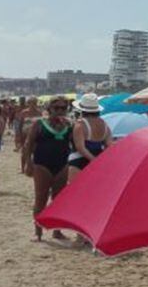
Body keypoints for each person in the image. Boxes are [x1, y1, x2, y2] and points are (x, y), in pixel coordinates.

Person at [22, 97, 73, 240]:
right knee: (41, 199)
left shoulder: (69, 125)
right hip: (41, 164)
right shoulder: (39, 124)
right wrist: (27, 163)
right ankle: (38, 231)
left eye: (63, 108)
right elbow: (28, 144)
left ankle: (57, 231)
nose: (60, 111)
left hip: (62, 165)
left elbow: (75, 144)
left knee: (59, 200)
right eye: (56, 108)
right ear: (49, 108)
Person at [68, 93, 112, 182]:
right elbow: (109, 145)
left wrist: (93, 160)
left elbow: (80, 148)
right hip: (99, 160)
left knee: (75, 192)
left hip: (78, 161)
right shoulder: (104, 124)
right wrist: (98, 161)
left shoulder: (80, 124)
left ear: (82, 109)